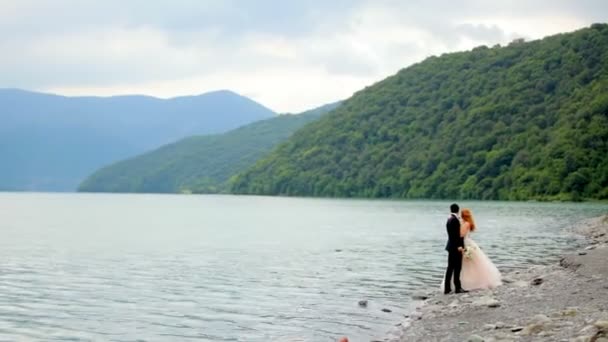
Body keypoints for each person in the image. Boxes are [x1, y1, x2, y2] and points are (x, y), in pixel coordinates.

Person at [457, 208, 502, 290]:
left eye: (461, 214)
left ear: (463, 215)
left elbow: (461, 234)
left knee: (469, 264)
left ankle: (470, 282)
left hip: (466, 243)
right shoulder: (467, 223)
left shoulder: (466, 223)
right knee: (469, 264)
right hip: (468, 242)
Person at [443, 203, 466, 294]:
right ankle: (457, 288)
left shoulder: (449, 219)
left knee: (450, 267)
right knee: (457, 267)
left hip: (450, 246)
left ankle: (447, 288)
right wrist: (459, 246)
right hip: (455, 247)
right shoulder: (455, 220)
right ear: (458, 210)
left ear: (450, 210)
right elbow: (455, 235)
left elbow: (452, 235)